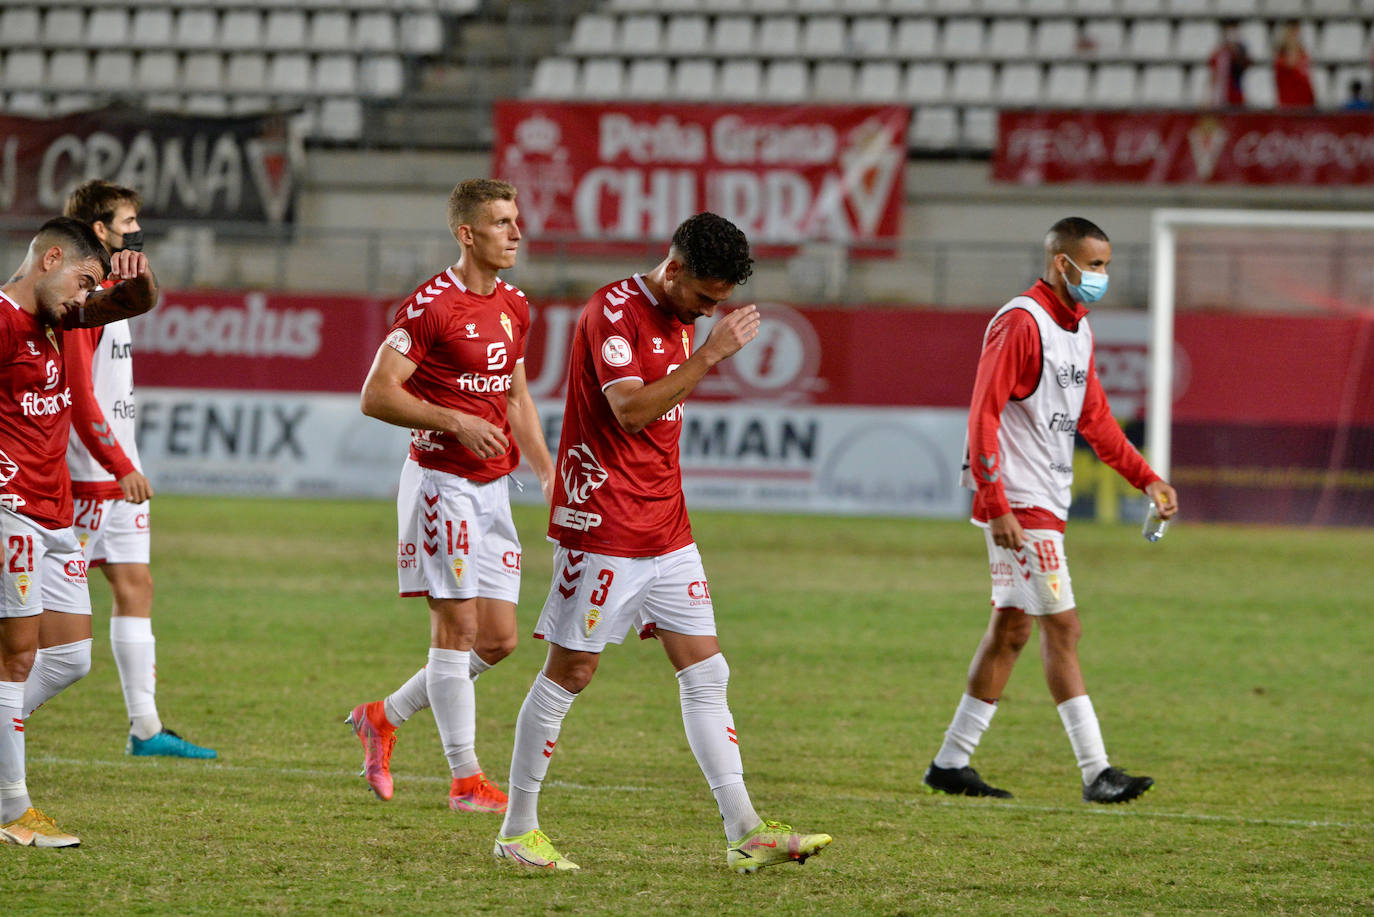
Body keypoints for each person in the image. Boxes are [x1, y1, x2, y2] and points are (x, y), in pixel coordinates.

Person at [493, 212, 831, 874]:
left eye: (720, 304)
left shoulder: (681, 316)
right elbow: (629, 410)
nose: (710, 313)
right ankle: (516, 829)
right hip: (605, 526)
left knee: (707, 670)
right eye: (705, 299)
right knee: (572, 672)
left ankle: (745, 828)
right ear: (673, 269)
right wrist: (712, 354)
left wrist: (701, 341)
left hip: (667, 526)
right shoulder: (613, 311)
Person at [922, 217, 1178, 805]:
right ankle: (1097, 773)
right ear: (1062, 264)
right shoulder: (1021, 323)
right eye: (1094, 265)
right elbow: (982, 413)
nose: (1102, 276)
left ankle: (950, 763)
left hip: (1040, 500)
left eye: (1107, 265)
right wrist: (995, 503)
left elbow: (1096, 423)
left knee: (1011, 630)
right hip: (1020, 502)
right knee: (1063, 627)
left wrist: (1148, 479)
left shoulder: (1077, 330)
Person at [347, 179, 553, 813]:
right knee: (457, 627)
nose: (516, 232)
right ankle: (465, 780)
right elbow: (376, 394)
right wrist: (455, 420)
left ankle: (381, 716)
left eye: (516, 219)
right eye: (501, 222)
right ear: (467, 234)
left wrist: (547, 471)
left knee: (498, 640)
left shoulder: (515, 305)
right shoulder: (431, 306)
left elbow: (516, 396)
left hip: (494, 489)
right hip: (440, 482)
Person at [1, 217, 157, 846]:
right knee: (13, 658)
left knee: (68, 656)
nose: (84, 298)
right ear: (50, 258)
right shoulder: (5, 320)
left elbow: (138, 302)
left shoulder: (60, 319)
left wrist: (136, 277)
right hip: (9, 506)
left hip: (55, 513)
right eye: (82, 282)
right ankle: (13, 811)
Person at [51, 180, 215, 758]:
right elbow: (77, 396)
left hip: (117, 473)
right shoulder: (81, 301)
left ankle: (145, 729)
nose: (137, 230)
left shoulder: (115, 292)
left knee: (135, 585)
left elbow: (146, 295)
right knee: (46, 622)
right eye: (128, 221)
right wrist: (120, 465)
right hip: (89, 474)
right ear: (100, 231)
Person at [1208, 20, 1251, 108]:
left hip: (1236, 95)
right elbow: (1213, 75)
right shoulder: (1218, 53)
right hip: (1219, 97)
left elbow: (1242, 66)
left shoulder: (1241, 52)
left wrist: (1234, 49)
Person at [1274, 20, 1316, 108]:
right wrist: (1291, 42)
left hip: (1307, 104)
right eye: (1292, 32)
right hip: (1290, 106)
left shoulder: (1303, 53)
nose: (1296, 35)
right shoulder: (1280, 58)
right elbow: (1290, 63)